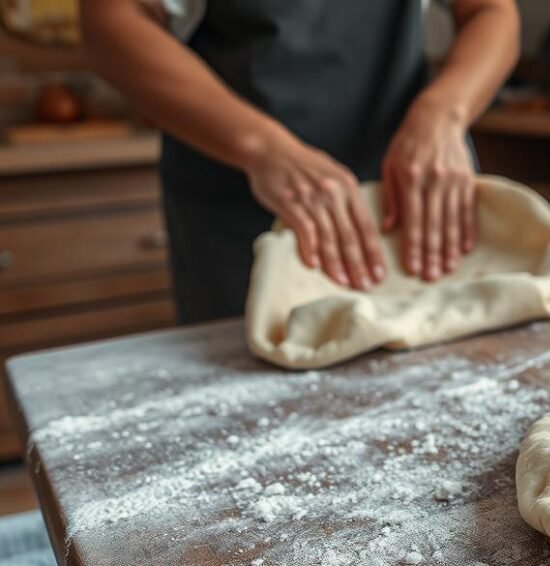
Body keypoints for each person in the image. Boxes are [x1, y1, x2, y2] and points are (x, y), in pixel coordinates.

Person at [80, 0, 520, 323]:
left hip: (413, 199)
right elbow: (111, 21)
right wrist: (260, 147)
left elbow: (491, 12)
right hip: (246, 210)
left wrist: (443, 114)